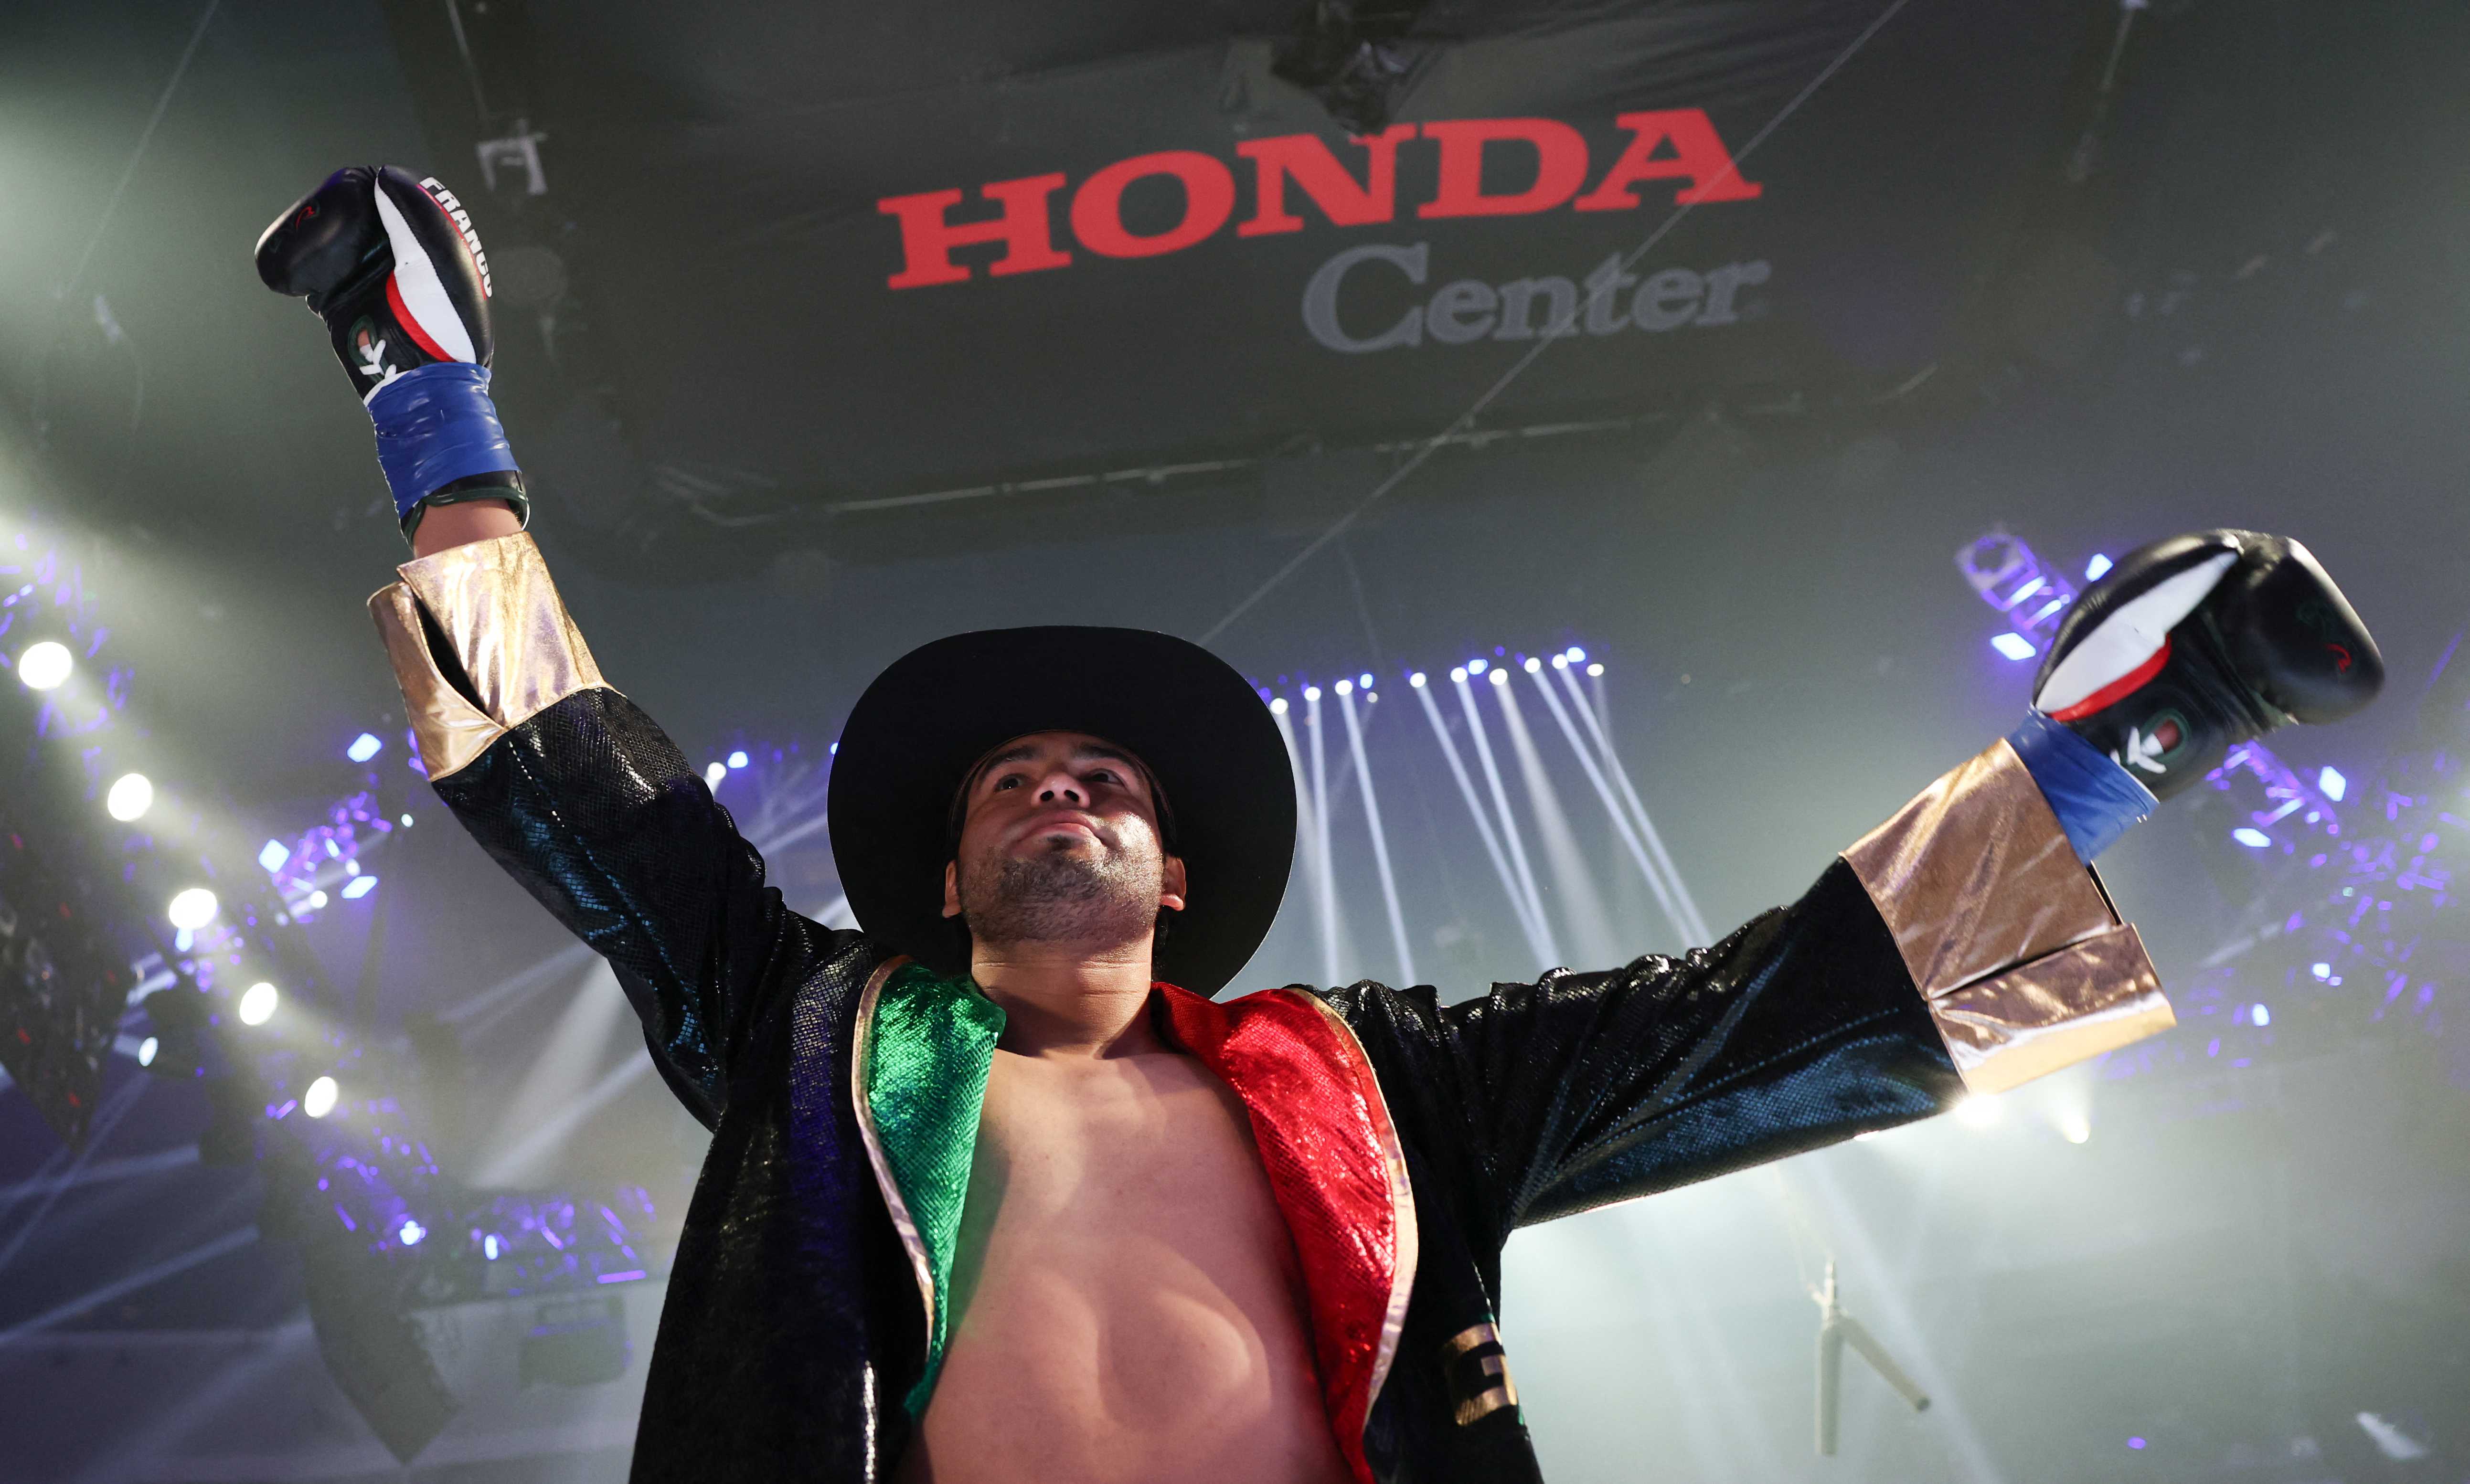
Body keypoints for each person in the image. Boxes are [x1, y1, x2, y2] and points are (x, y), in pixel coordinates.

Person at [256, 168, 2383, 1484]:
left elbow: (1747, 1022)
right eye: (1015, 784)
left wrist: (2109, 763)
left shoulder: (1378, 1084)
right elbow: (587, 801)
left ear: (1180, 877)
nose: (1063, 788)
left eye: (1107, 782)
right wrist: (425, 401)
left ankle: (2143, 707)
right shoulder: (811, 1039)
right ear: (942, 876)